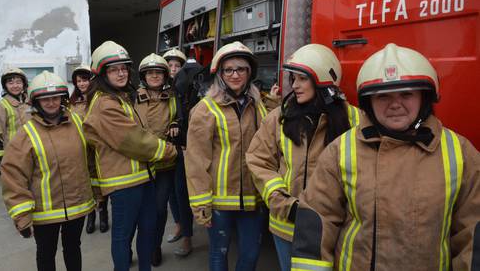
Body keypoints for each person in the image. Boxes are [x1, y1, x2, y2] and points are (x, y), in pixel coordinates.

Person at [290, 43, 480, 271]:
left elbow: (472, 235)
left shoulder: (461, 153)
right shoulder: (340, 150)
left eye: (406, 94)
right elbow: (317, 225)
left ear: (424, 98)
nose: (395, 104)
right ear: (368, 102)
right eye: (382, 96)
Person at [246, 44, 361, 271]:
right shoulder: (280, 117)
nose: (294, 85)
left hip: (334, 229)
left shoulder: (355, 119)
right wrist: (283, 203)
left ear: (322, 80)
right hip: (287, 226)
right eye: (293, 78)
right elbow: (258, 160)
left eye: (302, 79)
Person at [82, 41, 177, 271]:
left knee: (148, 228)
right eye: (114, 69)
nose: (121, 73)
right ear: (102, 74)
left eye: (124, 68)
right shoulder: (105, 104)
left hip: (143, 178)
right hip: (123, 184)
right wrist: (169, 151)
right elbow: (134, 140)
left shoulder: (120, 97)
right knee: (123, 236)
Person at [185, 41, 268, 271]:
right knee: (218, 254)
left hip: (252, 197)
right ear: (220, 74)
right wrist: (201, 200)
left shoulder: (257, 104)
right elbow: (195, 159)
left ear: (249, 72)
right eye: (229, 69)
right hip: (219, 199)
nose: (235, 74)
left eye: (241, 69)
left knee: (251, 255)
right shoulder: (206, 109)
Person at [1, 71, 95, 271]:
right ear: (36, 101)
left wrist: (98, 191)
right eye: (45, 99)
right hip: (45, 212)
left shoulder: (78, 122)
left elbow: (92, 159)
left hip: (77, 205)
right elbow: (14, 176)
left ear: (62, 98)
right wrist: (22, 216)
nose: (51, 103)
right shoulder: (26, 133)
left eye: (55, 98)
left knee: (73, 248)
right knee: (46, 253)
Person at [133, 53, 180, 266]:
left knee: (160, 210)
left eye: (158, 73)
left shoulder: (173, 96)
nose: (154, 76)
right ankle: (132, 247)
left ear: (165, 76)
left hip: (165, 164)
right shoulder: (132, 98)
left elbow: (183, 116)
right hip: (139, 165)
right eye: (150, 73)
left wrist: (176, 123)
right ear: (144, 76)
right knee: (138, 211)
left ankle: (154, 246)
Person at [69, 65, 110, 234]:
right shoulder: (71, 103)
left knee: (102, 180)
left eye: (84, 79)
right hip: (82, 150)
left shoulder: (100, 98)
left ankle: (104, 214)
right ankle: (91, 215)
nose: (81, 84)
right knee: (87, 181)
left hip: (100, 148)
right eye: (78, 81)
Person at [163, 49, 195, 257]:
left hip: (183, 147)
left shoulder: (189, 88)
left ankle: (188, 238)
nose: (173, 69)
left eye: (177, 66)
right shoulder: (159, 88)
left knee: (182, 191)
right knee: (171, 193)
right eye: (170, 66)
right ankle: (178, 225)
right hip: (165, 148)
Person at [0, 67, 31, 174]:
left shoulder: (31, 103)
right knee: (16, 189)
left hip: (33, 154)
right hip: (13, 158)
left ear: (24, 84)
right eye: (10, 82)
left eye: (18, 82)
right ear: (5, 85)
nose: (15, 86)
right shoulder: (0, 107)